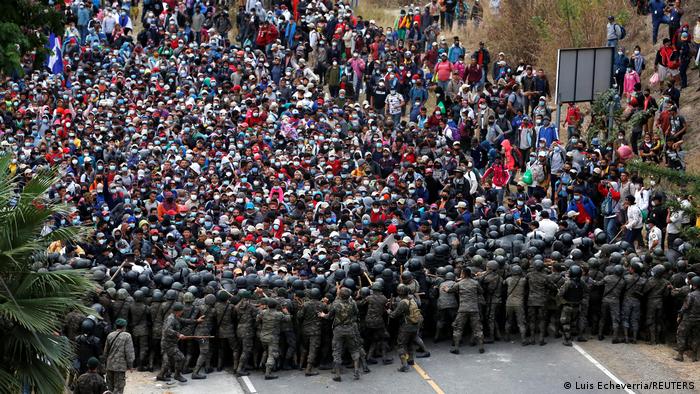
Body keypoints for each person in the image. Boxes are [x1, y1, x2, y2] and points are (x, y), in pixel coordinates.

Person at [448, 267, 485, 354]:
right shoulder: (475, 283)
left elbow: (450, 290)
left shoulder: (459, 283)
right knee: (477, 328)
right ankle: (481, 347)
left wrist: (446, 289)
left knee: (458, 328)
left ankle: (456, 348)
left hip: (462, 309)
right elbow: (481, 291)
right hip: (474, 309)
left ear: (463, 274)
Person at [389, 284, 423, 372]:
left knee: (401, 345)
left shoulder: (403, 302)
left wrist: (389, 311)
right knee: (410, 343)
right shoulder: (412, 299)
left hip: (406, 326)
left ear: (399, 293)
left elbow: (394, 315)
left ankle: (404, 365)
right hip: (415, 325)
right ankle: (411, 360)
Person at [103, 318, 135, 394]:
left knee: (110, 388)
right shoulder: (127, 336)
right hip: (120, 367)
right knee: (118, 389)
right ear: (124, 326)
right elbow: (129, 352)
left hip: (110, 365)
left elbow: (105, 352)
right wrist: (130, 365)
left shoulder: (110, 335)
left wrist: (105, 364)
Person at [674, 276, 700, 361]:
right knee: (696, 337)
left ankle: (680, 355)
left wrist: (679, 315)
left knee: (681, 335)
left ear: (694, 285)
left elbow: (685, 307)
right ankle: (694, 356)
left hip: (688, 319)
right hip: (698, 320)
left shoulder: (691, 295)